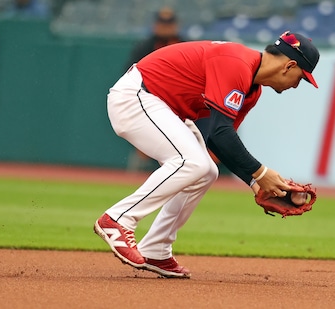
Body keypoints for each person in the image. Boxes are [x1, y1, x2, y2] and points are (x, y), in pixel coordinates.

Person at [94, 31, 320, 278]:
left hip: (163, 106)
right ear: (290, 65)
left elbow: (219, 141)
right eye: (301, 78)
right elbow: (221, 133)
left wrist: (256, 183)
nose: (297, 85)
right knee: (191, 162)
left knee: (206, 172)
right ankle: (119, 219)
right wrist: (260, 172)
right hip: (137, 96)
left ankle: (156, 249)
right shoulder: (237, 62)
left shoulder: (252, 89)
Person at [125, 6, 184, 171]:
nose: (166, 27)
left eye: (169, 23)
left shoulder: (185, 45)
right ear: (155, 25)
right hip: (150, 100)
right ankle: (139, 168)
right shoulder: (144, 47)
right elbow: (129, 74)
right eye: (162, 23)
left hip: (179, 102)